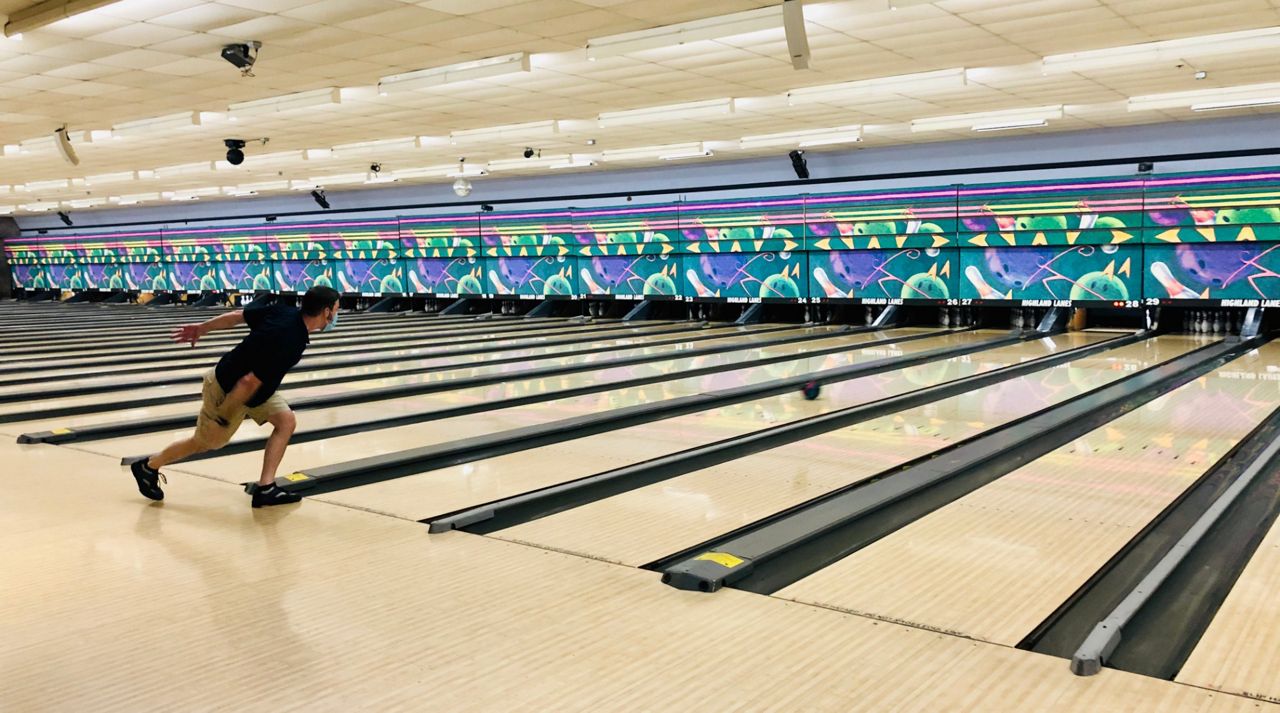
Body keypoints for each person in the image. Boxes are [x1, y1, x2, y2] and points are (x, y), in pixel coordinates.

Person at [129, 286, 341, 508]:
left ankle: (266, 488)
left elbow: (236, 317)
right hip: (229, 390)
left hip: (253, 389)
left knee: (285, 421)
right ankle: (148, 466)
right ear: (327, 312)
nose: (336, 315)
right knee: (205, 442)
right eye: (336, 309)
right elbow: (248, 382)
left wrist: (203, 328)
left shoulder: (284, 312)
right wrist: (225, 413)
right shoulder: (291, 341)